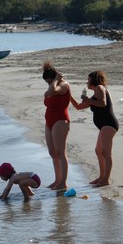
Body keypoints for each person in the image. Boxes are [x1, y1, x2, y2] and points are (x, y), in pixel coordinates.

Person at [70, 70, 119, 187]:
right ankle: (101, 177)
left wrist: (88, 100)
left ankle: (106, 180)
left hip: (109, 124)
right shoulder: (95, 94)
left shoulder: (100, 88)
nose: (87, 82)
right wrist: (69, 96)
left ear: (93, 80)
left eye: (88, 79)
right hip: (104, 126)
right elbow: (78, 107)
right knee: (98, 151)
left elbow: (103, 103)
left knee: (106, 153)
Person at [42, 61, 71, 190]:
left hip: (60, 120)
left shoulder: (64, 85)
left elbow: (53, 90)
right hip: (49, 121)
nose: (48, 84)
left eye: (49, 81)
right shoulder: (51, 87)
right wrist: (51, 85)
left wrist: (57, 80)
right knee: (52, 152)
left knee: (60, 152)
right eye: (47, 82)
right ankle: (57, 180)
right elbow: (49, 93)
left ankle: (63, 182)